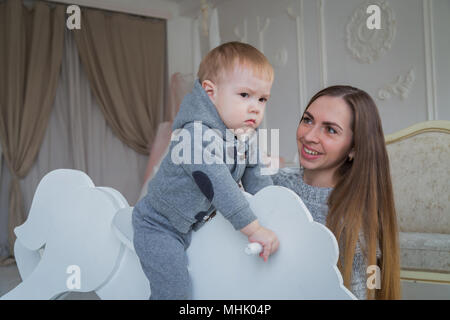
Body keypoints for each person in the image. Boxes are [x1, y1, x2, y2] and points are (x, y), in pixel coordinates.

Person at [132, 42, 279, 299]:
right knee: (175, 290)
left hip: (192, 226)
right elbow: (218, 184)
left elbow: (259, 179)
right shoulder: (194, 135)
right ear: (211, 92)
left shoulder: (244, 137)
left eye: (262, 98)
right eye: (245, 95)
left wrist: (274, 215)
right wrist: (254, 229)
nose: (256, 107)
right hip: (159, 226)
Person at [271, 85, 401, 300]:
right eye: (308, 120)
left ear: (354, 148)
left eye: (330, 129)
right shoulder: (271, 183)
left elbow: (365, 293)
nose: (309, 136)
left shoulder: (356, 221)